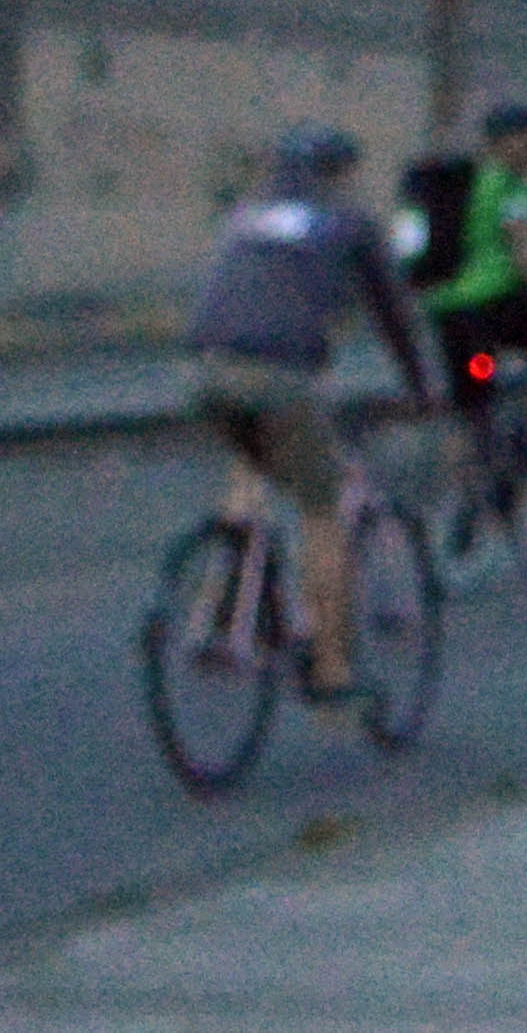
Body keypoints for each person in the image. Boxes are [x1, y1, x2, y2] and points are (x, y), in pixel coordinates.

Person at [185, 126, 436, 700]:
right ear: (341, 173)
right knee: (323, 508)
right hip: (280, 374)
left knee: (254, 471)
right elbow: (394, 316)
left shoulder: (248, 216)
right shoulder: (349, 221)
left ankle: (220, 610)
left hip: (205, 370)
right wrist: (421, 389)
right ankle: (331, 668)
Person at [413, 101, 527, 447]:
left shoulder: (461, 182)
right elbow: (524, 247)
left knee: (474, 400)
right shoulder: (509, 186)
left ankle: (472, 471)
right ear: (503, 141)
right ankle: (524, 437)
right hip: (495, 307)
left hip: (450, 311)